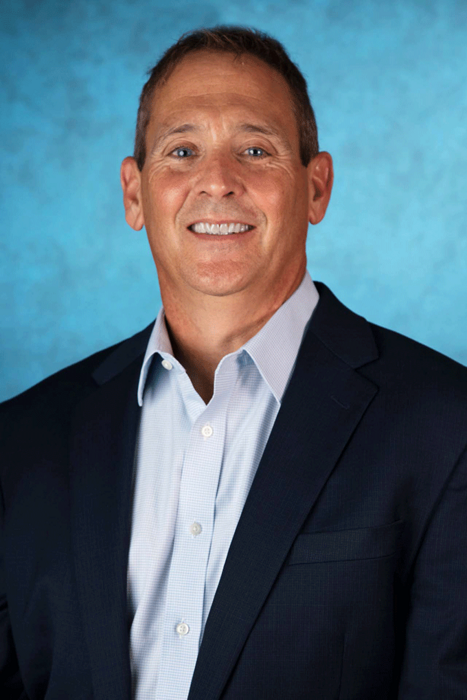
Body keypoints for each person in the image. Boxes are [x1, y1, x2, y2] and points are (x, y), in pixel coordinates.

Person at [1, 25, 466, 700]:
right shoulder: (23, 441)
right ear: (134, 194)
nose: (217, 181)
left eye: (255, 149)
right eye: (182, 150)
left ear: (316, 187)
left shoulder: (445, 425)